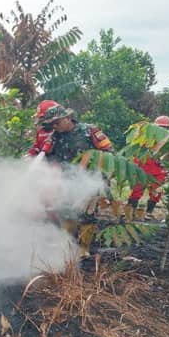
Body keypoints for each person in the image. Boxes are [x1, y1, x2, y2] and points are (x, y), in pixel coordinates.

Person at [29, 100, 113, 256]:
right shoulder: (54, 137)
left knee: (87, 214)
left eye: (57, 123)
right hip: (66, 180)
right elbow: (46, 156)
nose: (54, 127)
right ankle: (67, 244)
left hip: (90, 180)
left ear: (67, 118)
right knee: (65, 211)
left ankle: (83, 248)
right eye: (51, 125)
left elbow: (109, 152)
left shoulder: (89, 131)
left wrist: (97, 170)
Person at [127, 115, 169, 219]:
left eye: (166, 128)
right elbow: (137, 151)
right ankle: (130, 213)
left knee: (156, 192)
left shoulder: (168, 138)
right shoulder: (145, 136)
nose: (163, 130)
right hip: (143, 168)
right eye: (161, 127)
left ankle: (149, 212)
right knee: (137, 191)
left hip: (158, 170)